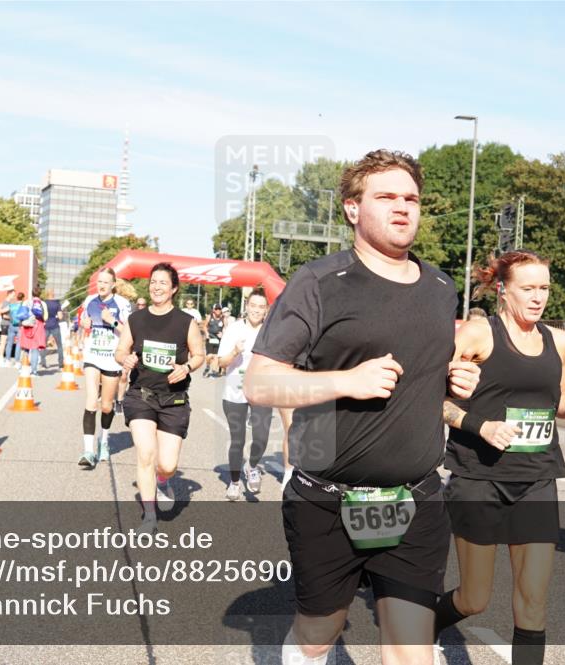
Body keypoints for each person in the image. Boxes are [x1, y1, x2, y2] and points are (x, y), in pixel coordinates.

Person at [244, 149, 480, 665]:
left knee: (411, 649)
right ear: (353, 209)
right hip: (328, 500)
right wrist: (347, 381)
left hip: (415, 501)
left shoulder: (441, 288)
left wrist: (455, 380)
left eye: (412, 198)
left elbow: (424, 381)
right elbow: (259, 383)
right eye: (387, 197)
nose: (403, 208)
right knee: (318, 634)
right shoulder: (320, 281)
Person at [435, 250, 565, 665]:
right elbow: (431, 397)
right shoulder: (478, 334)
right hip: (479, 477)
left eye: (544, 288)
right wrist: (481, 427)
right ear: (502, 289)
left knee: (533, 603)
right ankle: (424, 625)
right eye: (528, 288)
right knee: (474, 599)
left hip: (537, 477)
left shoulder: (559, 342)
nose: (538, 296)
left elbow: (556, 399)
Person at [116, 262, 205, 535]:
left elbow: (199, 355)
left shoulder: (185, 322)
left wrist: (186, 367)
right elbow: (121, 351)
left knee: (167, 464)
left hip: (173, 400)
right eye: (153, 282)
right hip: (140, 395)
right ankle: (149, 516)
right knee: (145, 454)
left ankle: (163, 480)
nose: (156, 287)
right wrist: (126, 358)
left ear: (174, 288)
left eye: (163, 283)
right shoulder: (136, 319)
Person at [218, 289, 273, 501]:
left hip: (262, 391)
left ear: (266, 310)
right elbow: (220, 362)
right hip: (234, 391)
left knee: (261, 437)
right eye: (253, 306)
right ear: (246, 306)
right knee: (237, 441)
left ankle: (251, 467)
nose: (257, 310)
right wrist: (234, 352)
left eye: (261, 307)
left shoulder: (270, 331)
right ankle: (233, 483)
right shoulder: (233, 329)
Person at [78, 268, 132, 468]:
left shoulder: (122, 304)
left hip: (112, 358)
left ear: (113, 284)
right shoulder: (90, 300)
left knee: (107, 406)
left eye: (105, 282)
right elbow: (84, 322)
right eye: (99, 281)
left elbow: (128, 331)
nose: (101, 285)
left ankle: (104, 440)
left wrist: (112, 321)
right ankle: (88, 451)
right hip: (92, 355)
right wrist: (84, 324)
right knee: (91, 400)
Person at [114, 280, 140, 414]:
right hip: (111, 343)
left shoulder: (131, 307)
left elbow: (127, 329)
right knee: (113, 375)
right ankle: (110, 394)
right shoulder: (107, 304)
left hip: (125, 343)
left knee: (124, 374)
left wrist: (111, 321)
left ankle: (119, 400)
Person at [18, 288, 48, 375]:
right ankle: (34, 371)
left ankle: (24, 367)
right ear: (40, 294)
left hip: (27, 326)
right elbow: (45, 317)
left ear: (32, 294)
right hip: (38, 326)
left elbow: (21, 315)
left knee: (26, 348)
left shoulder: (26, 302)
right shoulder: (43, 304)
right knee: (35, 349)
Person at [41, 288, 64, 371]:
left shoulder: (43, 303)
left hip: (45, 326)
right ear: (53, 294)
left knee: (43, 345)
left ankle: (43, 363)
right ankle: (61, 365)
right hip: (55, 325)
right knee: (59, 345)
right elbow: (60, 316)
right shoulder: (57, 303)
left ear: (47, 294)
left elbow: (41, 315)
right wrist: (56, 318)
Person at [203, 303, 226, 378]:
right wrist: (206, 333)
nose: (218, 310)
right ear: (213, 310)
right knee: (209, 356)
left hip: (218, 339)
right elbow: (204, 326)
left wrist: (223, 333)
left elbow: (226, 328)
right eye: (216, 309)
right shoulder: (210, 317)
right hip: (210, 338)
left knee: (216, 356)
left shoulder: (223, 318)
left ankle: (214, 370)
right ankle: (207, 366)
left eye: (219, 309)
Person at [0, 289, 16, 367]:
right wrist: (13, 318)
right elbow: (3, 314)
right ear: (9, 294)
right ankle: (1, 359)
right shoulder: (6, 303)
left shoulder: (7, 303)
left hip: (7, 324)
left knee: (7, 342)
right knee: (3, 342)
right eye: (13, 294)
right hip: (5, 324)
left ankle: (4, 359)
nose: (14, 296)